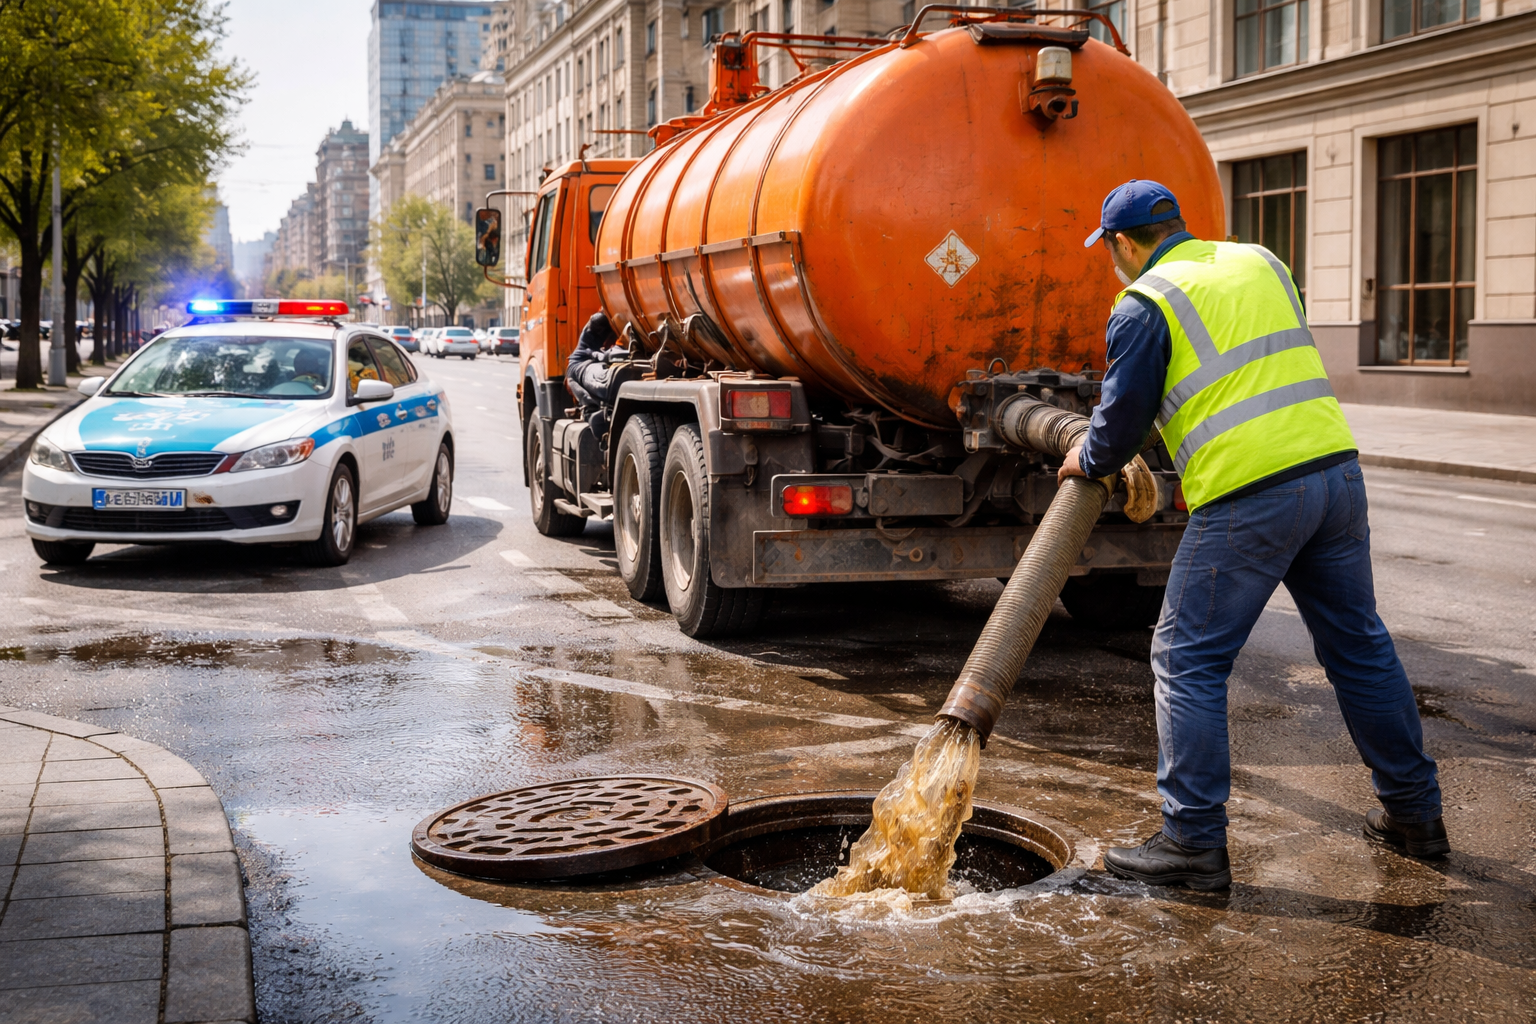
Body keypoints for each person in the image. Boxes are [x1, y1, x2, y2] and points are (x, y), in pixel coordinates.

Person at [1061, 180, 1446, 890]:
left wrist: (1085, 459)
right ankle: (1416, 815)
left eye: (1109, 248)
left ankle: (1192, 843)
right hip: (1334, 474)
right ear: (1179, 225)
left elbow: (1119, 426)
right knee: (1358, 646)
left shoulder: (1144, 302)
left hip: (1249, 494)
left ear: (1121, 243)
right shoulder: (1263, 260)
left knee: (1186, 659)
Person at [566, 311, 629, 443]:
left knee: (606, 385)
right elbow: (600, 356)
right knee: (607, 383)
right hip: (581, 366)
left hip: (582, 367)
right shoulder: (586, 353)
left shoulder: (590, 340)